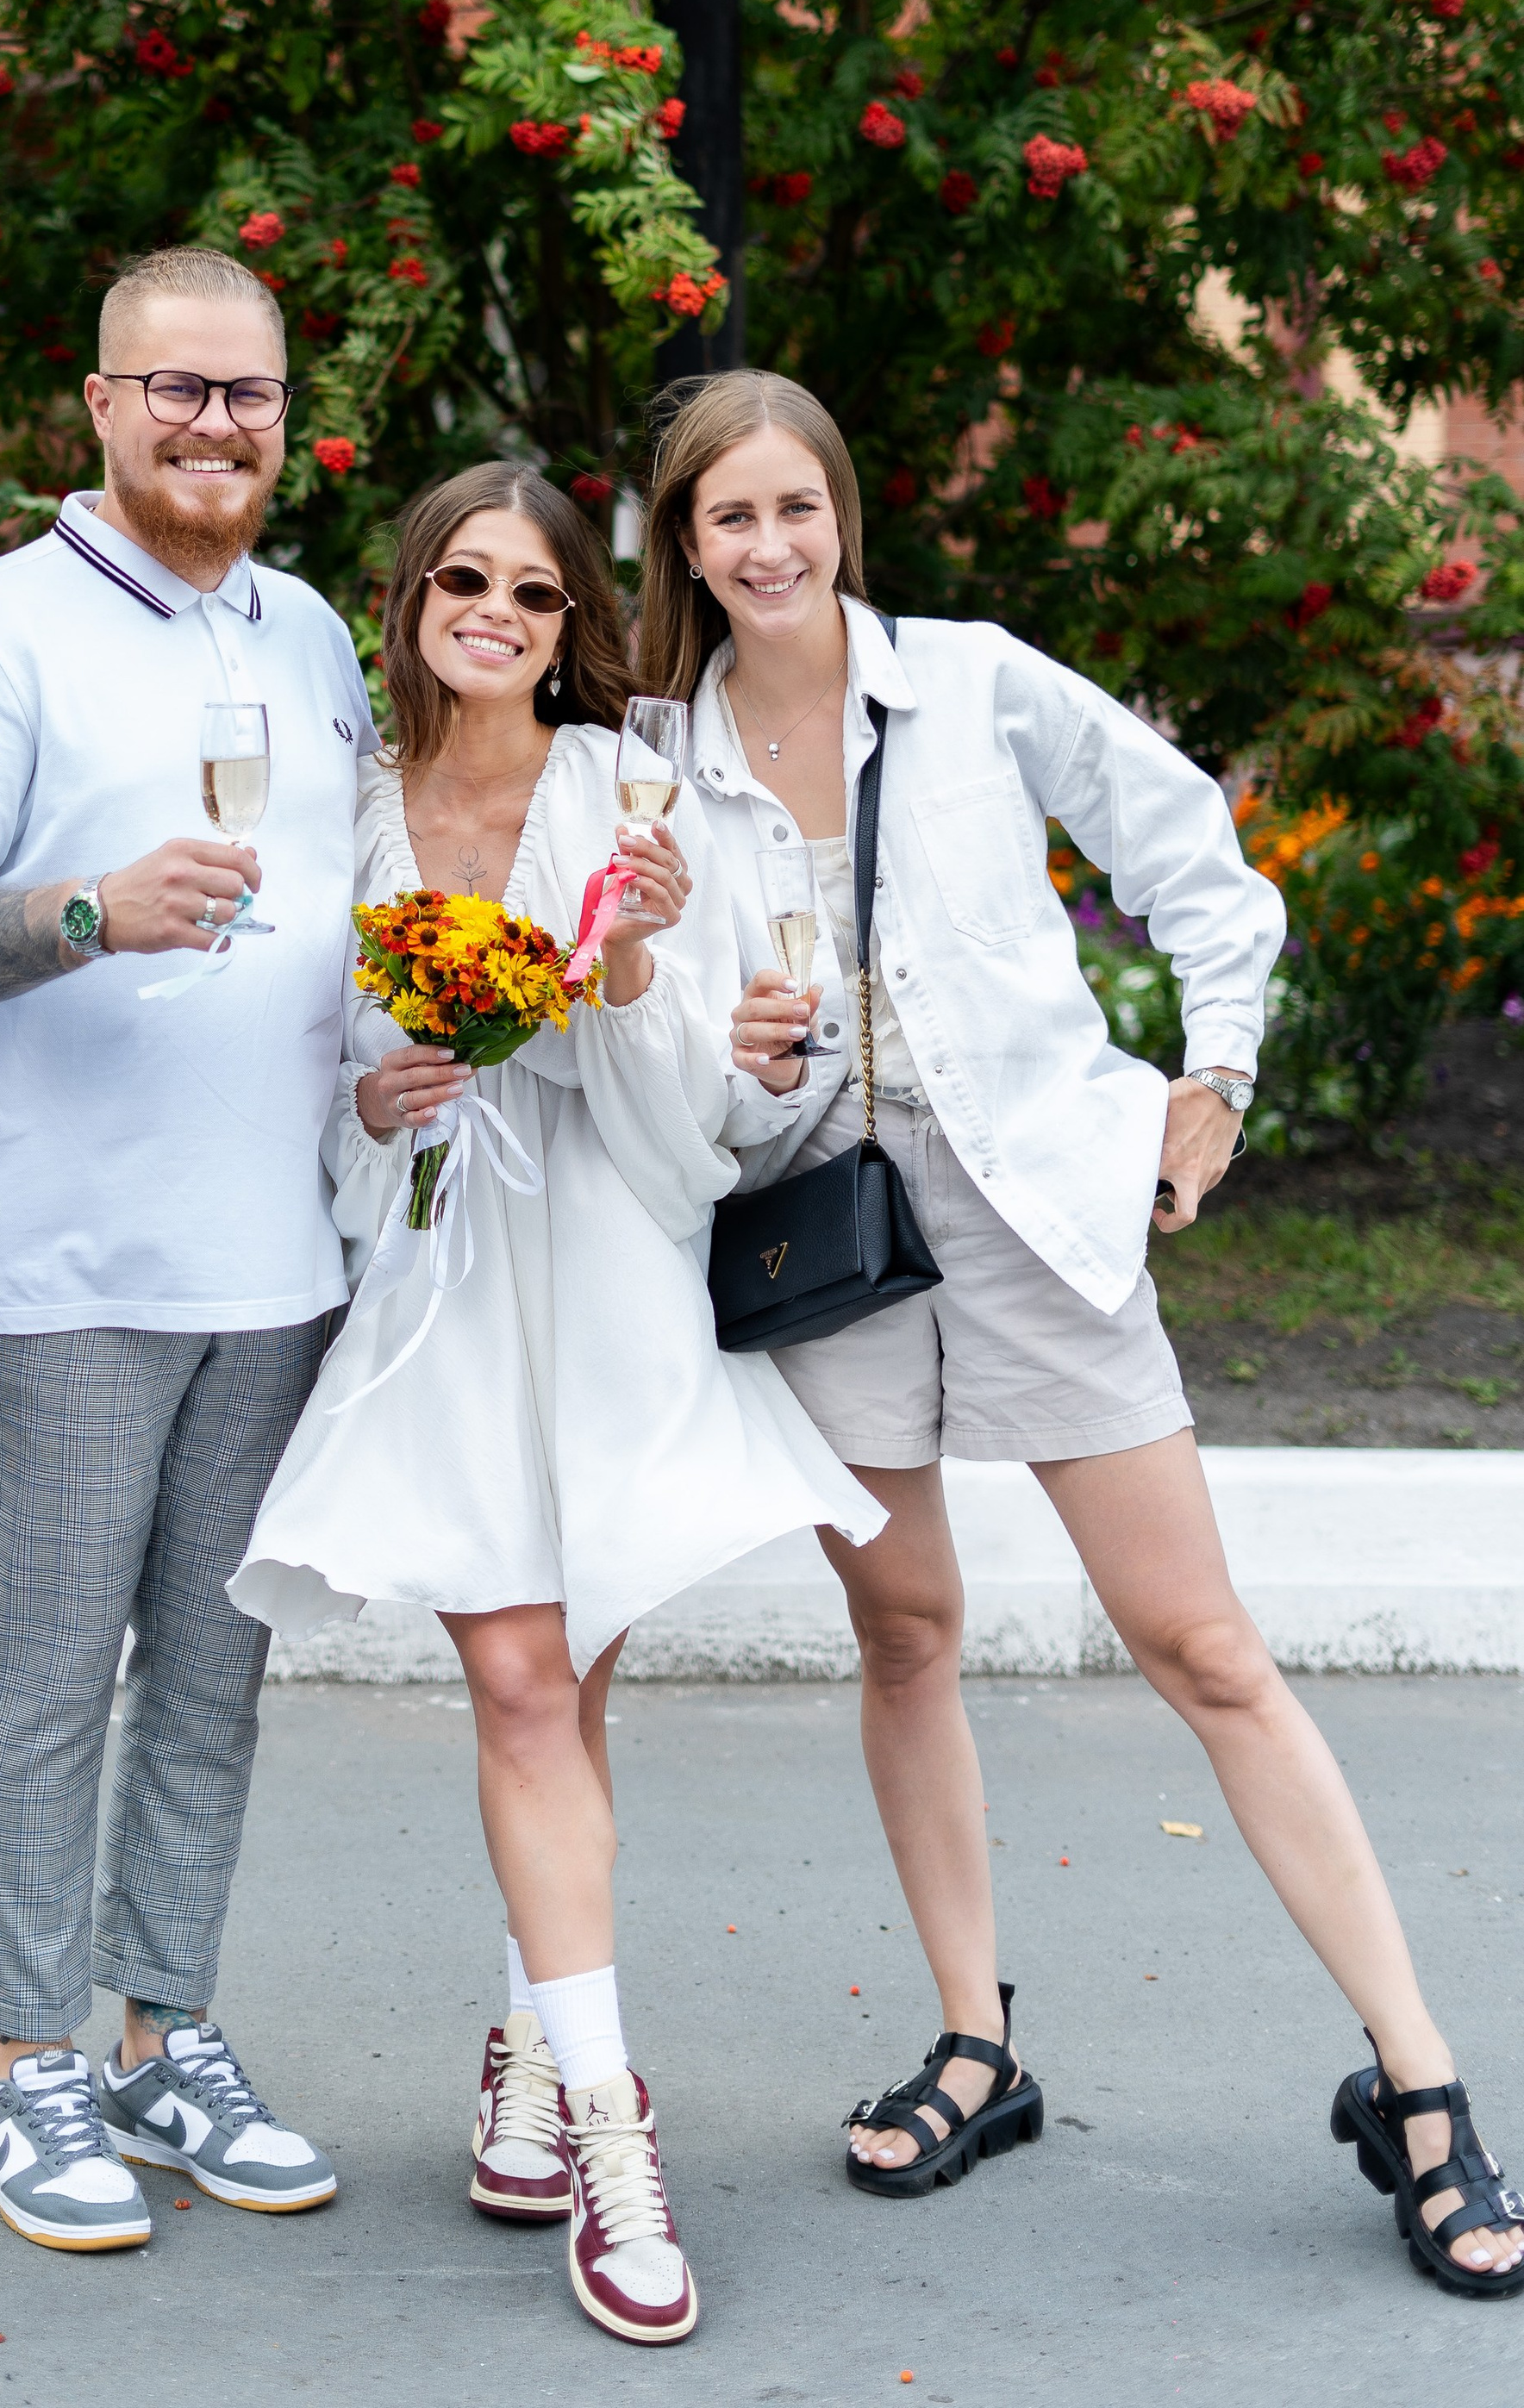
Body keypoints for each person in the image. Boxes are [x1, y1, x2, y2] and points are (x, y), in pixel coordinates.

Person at [645, 366, 1524, 2299]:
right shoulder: (659, 753)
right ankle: (978, 2039)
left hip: (1038, 1208)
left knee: (1201, 1648)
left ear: (840, 515)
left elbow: (1193, 857)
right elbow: (650, 1015)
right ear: (684, 546)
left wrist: (1211, 1081)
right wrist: (724, 1045)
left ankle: (1420, 2079)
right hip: (819, 1233)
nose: (768, 547)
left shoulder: (965, 683)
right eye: (728, 520)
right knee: (903, 1628)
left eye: (796, 507)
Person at [228, 463, 886, 2347]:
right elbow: (325, 1074)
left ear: (566, 623)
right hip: (437, 1284)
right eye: (463, 580)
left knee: (568, 1682)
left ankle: (527, 2059)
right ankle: (613, 2134)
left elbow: (696, 1088)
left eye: (532, 592)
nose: (496, 615)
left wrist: (621, 957)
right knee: (520, 1682)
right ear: (413, 600)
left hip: (596, 1271)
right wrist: (370, 1108)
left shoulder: (623, 792)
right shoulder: (350, 814)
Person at [0, 246, 362, 2258]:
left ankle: (168, 2036)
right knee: (58, 1664)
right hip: (70, 1250)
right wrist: (86, 915)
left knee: (216, 1674)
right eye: (175, 390)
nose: (213, 425)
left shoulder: (319, 630)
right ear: (93, 401)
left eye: (244, 395)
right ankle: (22, 2066)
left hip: (279, 1250)